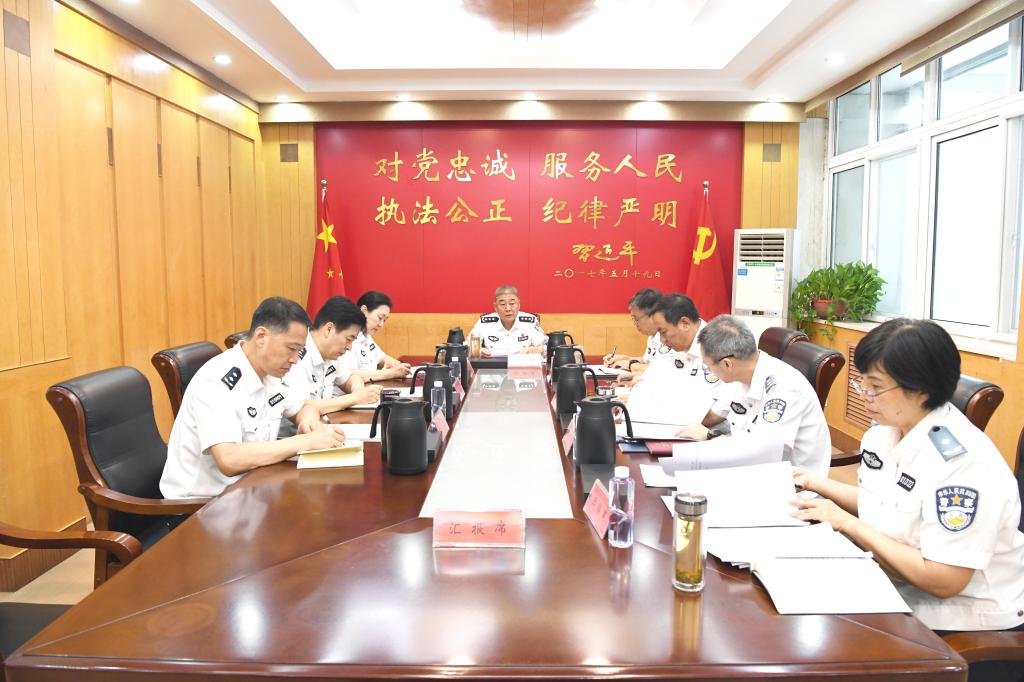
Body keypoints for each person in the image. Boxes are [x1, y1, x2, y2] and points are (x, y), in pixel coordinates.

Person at [791, 319, 1024, 632]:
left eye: (876, 388)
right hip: (895, 583)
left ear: (922, 390)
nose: (864, 395)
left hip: (963, 616)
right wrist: (814, 482)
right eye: (863, 383)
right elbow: (885, 505)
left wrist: (847, 522)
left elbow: (944, 580)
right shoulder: (886, 433)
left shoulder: (963, 464)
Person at [160, 297, 346, 499]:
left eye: (299, 351)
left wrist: (308, 422)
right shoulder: (216, 380)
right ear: (261, 337)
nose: (295, 359)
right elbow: (229, 459)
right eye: (291, 348)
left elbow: (304, 407)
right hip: (204, 504)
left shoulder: (273, 372)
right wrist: (306, 442)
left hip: (254, 487)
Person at [676, 314, 831, 476]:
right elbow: (713, 415)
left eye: (708, 366)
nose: (708, 370)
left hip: (788, 482)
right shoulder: (740, 375)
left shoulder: (785, 387)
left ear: (727, 364)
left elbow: (764, 455)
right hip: (747, 468)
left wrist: (710, 436)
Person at [278, 296, 382, 436]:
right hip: (291, 438)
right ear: (329, 329)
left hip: (323, 430)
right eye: (348, 339)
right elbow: (303, 406)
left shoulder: (331, 354)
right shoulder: (295, 356)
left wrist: (358, 391)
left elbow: (350, 378)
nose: (349, 347)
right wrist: (355, 398)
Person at [622, 293, 718, 423]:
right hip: (676, 422)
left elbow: (711, 416)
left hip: (706, 430)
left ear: (685, 323)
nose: (662, 339)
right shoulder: (677, 343)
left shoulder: (717, 348)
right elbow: (655, 381)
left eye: (663, 332)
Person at [602, 288, 671, 385]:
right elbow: (647, 360)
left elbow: (662, 370)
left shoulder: (669, 337)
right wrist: (625, 358)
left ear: (653, 315)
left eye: (636, 319)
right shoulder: (652, 336)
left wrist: (630, 365)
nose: (634, 323)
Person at [341, 290, 411, 384]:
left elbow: (382, 358)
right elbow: (348, 376)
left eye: (384, 320)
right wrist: (391, 373)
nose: (381, 324)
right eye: (380, 318)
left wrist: (398, 365)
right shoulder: (347, 336)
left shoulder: (366, 335)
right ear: (364, 311)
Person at [469, 285, 545, 356]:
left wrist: (535, 349)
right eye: (502, 304)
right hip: (493, 364)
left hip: (522, 364)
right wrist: (479, 350)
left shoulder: (530, 322)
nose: (508, 309)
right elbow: (469, 344)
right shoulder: (484, 322)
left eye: (512, 303)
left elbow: (542, 346)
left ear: (519, 305)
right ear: (495, 307)